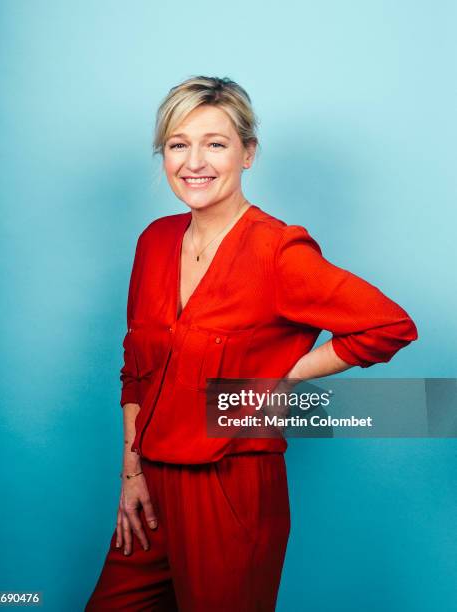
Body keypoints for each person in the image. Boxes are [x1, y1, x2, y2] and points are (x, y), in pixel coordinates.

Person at [84, 76, 418, 611]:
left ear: (248, 154)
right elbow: (136, 369)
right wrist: (132, 472)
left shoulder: (276, 251)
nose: (195, 161)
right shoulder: (154, 242)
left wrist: (290, 376)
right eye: (178, 144)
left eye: (215, 143)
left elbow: (389, 325)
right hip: (152, 485)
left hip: (230, 487)